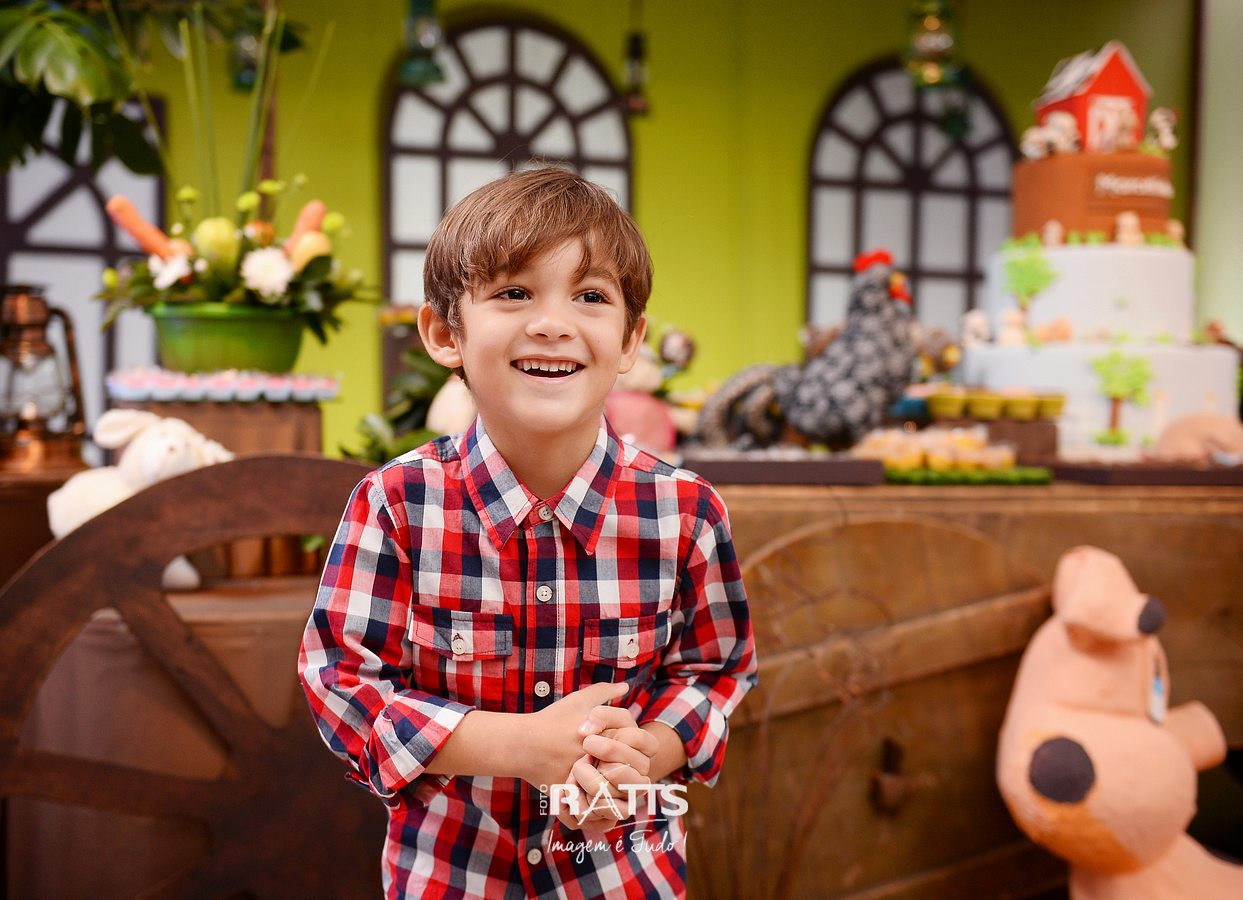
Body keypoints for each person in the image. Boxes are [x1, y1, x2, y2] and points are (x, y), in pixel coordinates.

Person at [299, 167, 756, 899]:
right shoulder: (396, 505)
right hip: (451, 879)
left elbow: (714, 672)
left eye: (590, 296)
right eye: (513, 293)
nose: (553, 323)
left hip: (624, 877)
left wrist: (642, 754)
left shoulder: (686, 511)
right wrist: (520, 747)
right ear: (444, 333)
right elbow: (342, 683)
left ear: (631, 340)